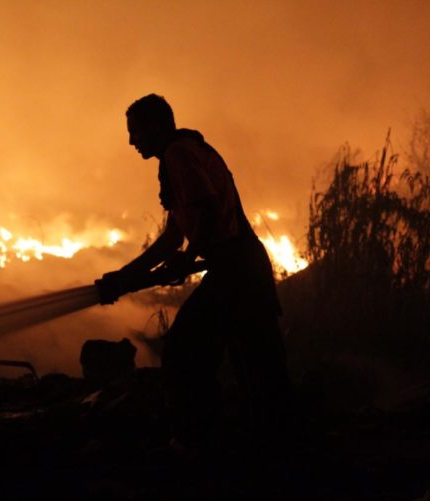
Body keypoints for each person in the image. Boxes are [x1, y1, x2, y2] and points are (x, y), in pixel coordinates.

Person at [99, 93, 291, 452]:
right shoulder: (183, 154)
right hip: (238, 270)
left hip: (238, 272)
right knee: (252, 359)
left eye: (135, 131)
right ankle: (262, 442)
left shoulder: (179, 154)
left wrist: (190, 258)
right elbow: (174, 235)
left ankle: (201, 440)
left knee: (186, 351)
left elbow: (205, 209)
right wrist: (125, 275)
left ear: (156, 126)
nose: (131, 141)